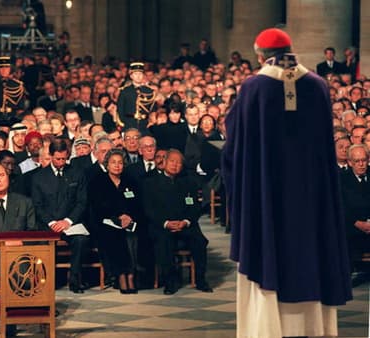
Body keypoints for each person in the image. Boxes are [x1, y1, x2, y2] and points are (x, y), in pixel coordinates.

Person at [222, 28, 352, 337]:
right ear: (290, 50)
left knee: (269, 250)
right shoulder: (319, 86)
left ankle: (267, 329)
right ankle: (314, 328)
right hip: (311, 198)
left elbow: (235, 147)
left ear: (259, 56)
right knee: (311, 248)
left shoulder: (254, 88)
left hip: (268, 197)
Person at [143, 149, 212, 295]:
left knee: (199, 241)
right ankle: (170, 281)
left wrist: (185, 222)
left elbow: (195, 207)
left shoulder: (189, 183)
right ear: (165, 162)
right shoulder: (151, 183)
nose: (175, 165)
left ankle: (201, 280)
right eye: (172, 161)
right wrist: (166, 223)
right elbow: (149, 209)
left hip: (185, 225)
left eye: (179, 163)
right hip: (163, 226)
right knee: (163, 241)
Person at [31, 138, 89, 293]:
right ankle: (47, 282)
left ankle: (75, 281)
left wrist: (67, 221)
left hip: (70, 223)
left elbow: (82, 202)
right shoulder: (38, 177)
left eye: (64, 158)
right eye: (58, 159)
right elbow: (37, 206)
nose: (61, 162)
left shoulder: (77, 173)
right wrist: (51, 222)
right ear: (50, 155)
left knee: (81, 240)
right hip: (47, 224)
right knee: (41, 242)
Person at [89, 149, 142, 294]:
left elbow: (138, 204)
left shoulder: (130, 181)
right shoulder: (98, 181)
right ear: (107, 164)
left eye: (120, 163)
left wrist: (128, 216)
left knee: (133, 234)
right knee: (115, 235)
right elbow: (97, 207)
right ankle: (121, 275)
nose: (117, 166)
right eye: (113, 162)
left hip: (129, 221)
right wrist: (117, 217)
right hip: (106, 222)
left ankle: (131, 274)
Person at [339, 144, 370, 287]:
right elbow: (341, 206)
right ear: (350, 162)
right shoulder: (342, 179)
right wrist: (357, 222)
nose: (361, 164)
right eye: (357, 161)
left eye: (364, 160)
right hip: (352, 225)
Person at [117, 62, 156, 133]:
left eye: (140, 74)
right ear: (131, 76)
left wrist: (151, 122)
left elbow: (153, 109)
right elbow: (120, 109)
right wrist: (125, 123)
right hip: (129, 124)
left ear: (143, 75)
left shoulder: (149, 91)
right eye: (135, 74)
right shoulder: (125, 91)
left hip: (145, 124)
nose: (138, 76)